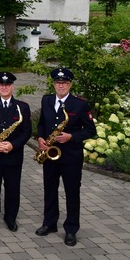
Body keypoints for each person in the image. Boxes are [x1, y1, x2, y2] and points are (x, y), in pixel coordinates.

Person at [35, 67, 96, 247]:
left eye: (64, 83)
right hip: (50, 155)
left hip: (71, 156)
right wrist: (39, 138)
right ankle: (49, 223)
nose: (61, 86)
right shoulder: (46, 100)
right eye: (58, 82)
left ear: (70, 84)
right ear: (54, 84)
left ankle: (71, 229)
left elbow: (91, 130)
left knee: (72, 192)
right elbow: (41, 124)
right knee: (50, 189)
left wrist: (72, 137)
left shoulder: (80, 104)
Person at [0, 72, 32, 232]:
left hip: (13, 155)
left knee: (12, 187)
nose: (4, 87)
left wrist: (13, 145)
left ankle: (11, 217)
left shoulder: (22, 107)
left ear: (12, 87)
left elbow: (26, 132)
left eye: (7, 85)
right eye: (1, 85)